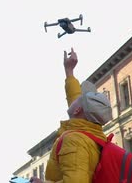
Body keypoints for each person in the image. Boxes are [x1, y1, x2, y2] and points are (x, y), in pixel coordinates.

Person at [31, 48, 113, 183]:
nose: (74, 100)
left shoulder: (75, 140)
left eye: (78, 100)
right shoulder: (89, 132)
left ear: (77, 110)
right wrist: (69, 71)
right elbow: (75, 99)